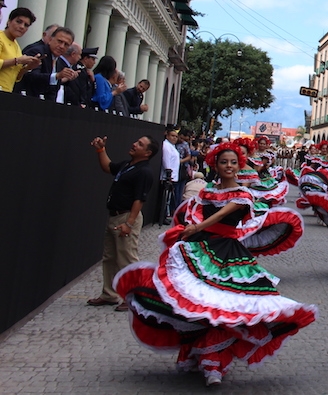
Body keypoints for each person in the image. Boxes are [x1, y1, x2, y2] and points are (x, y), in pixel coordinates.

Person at [114, 143, 317, 387]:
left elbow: (221, 215)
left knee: (223, 306)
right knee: (199, 304)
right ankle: (199, 355)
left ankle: (214, 364)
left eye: (233, 162)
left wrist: (196, 227)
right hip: (202, 248)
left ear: (239, 165)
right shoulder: (208, 191)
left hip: (228, 253)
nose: (229, 166)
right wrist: (188, 229)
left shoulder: (243, 194)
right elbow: (195, 211)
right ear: (215, 165)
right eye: (223, 162)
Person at [86, 135, 156, 312]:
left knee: (127, 258)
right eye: (136, 141)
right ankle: (109, 294)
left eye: (140, 144)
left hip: (126, 217)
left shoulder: (144, 172)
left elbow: (140, 200)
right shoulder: (127, 165)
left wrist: (129, 224)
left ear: (147, 153)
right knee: (110, 257)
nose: (134, 144)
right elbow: (108, 167)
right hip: (114, 216)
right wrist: (101, 150)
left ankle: (133, 296)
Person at [13, 26, 76, 100]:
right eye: (59, 41)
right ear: (50, 40)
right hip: (24, 99)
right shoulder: (37, 52)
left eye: (66, 44)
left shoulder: (60, 62)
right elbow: (32, 77)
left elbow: (53, 89)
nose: (62, 46)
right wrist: (57, 76)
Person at [0, 7, 42, 92]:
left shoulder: (16, 45)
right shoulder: (1, 37)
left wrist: (28, 67)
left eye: (26, 25)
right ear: (9, 22)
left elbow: (15, 76)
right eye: (19, 22)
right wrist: (17, 60)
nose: (22, 27)